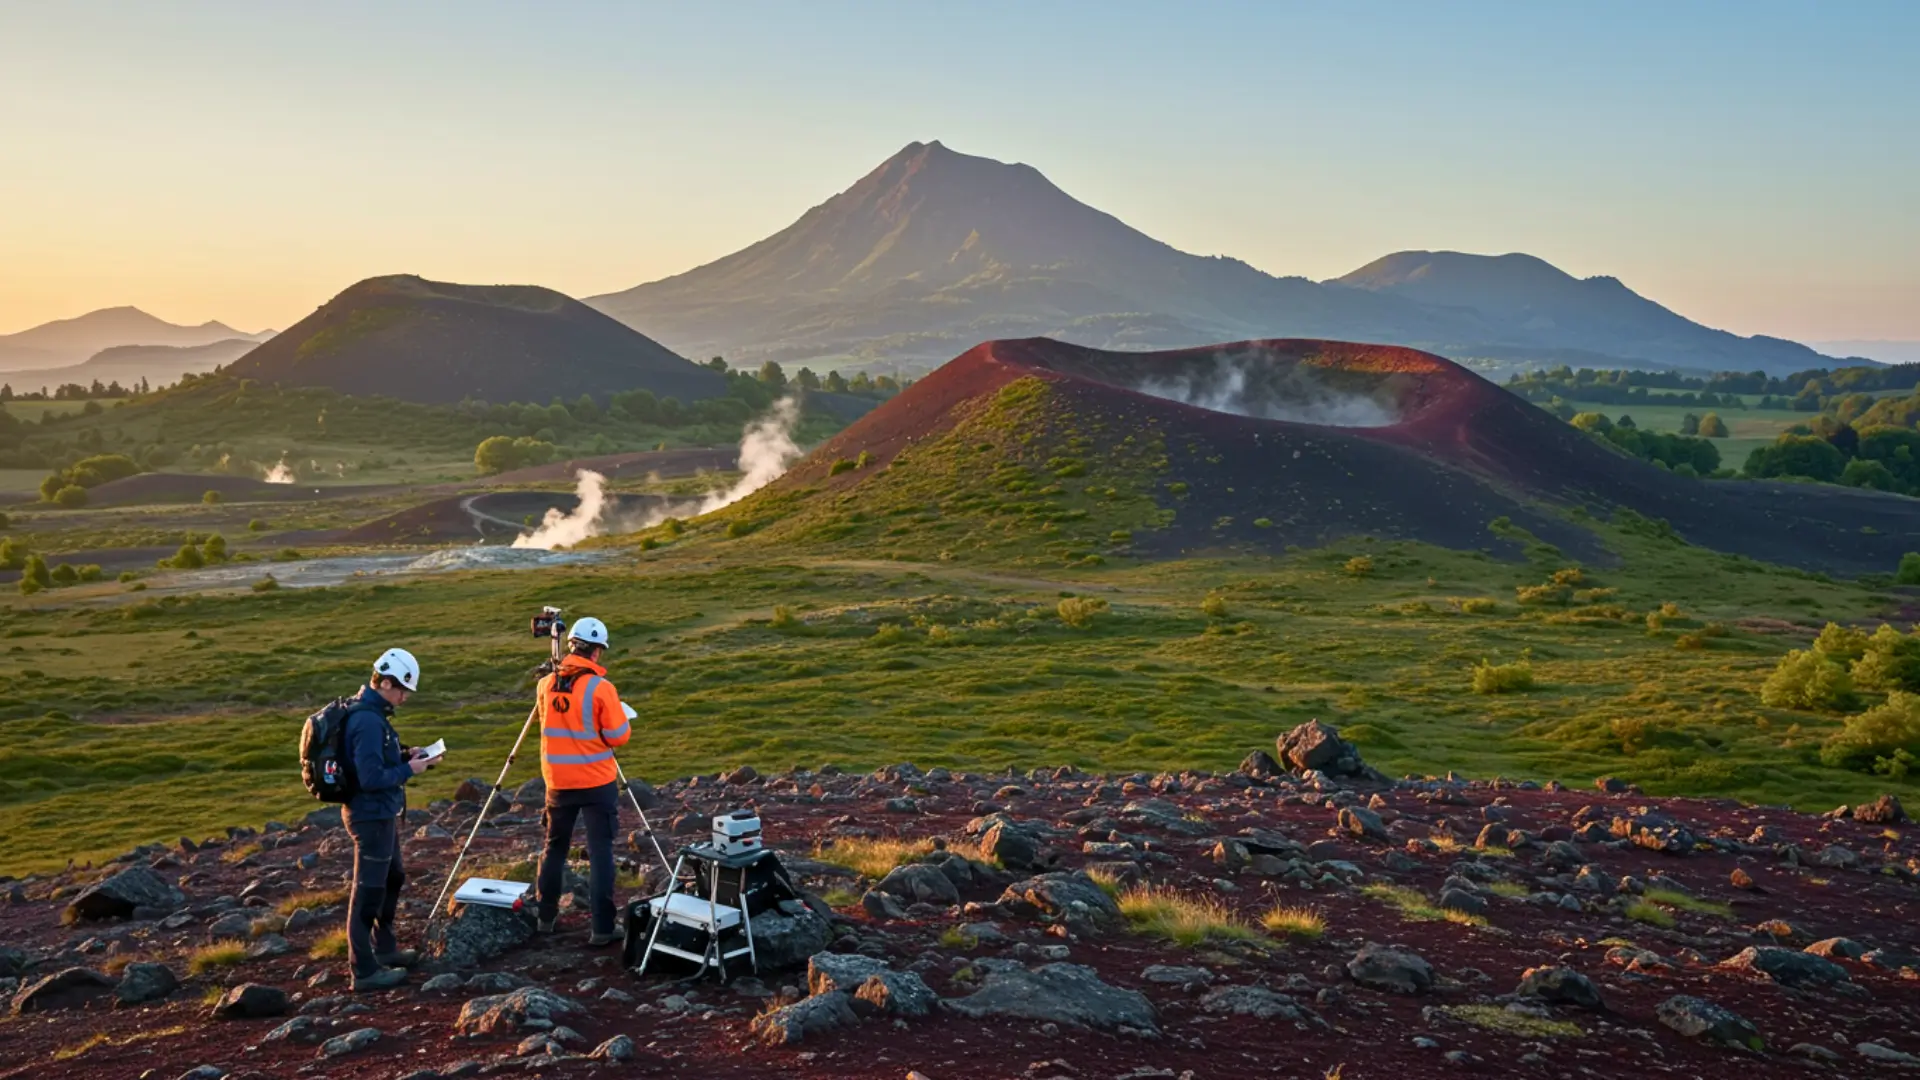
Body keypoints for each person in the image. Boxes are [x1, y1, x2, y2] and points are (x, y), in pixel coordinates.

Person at [342, 647, 439, 992]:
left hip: (381, 813)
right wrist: (408, 770)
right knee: (367, 890)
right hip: (370, 815)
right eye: (401, 690)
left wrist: (405, 755)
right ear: (383, 682)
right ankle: (364, 970)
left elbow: (372, 761)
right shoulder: (367, 720)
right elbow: (369, 777)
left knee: (392, 876)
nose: (404, 697)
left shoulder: (373, 714)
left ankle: (383, 949)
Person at [534, 616, 632, 945]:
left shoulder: (545, 684)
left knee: (554, 848)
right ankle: (602, 929)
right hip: (595, 781)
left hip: (557, 782)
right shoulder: (601, 688)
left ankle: (545, 917)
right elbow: (618, 736)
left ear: (572, 645)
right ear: (596, 652)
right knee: (600, 851)